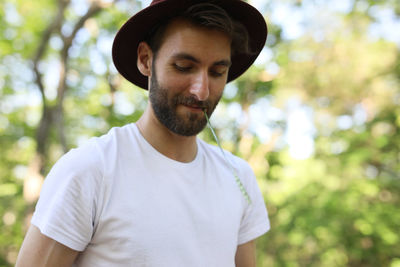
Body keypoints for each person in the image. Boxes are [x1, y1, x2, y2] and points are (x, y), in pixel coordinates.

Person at [16, 0, 270, 266]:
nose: (201, 91)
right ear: (146, 60)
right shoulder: (89, 171)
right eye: (184, 66)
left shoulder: (238, 177)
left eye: (217, 72)